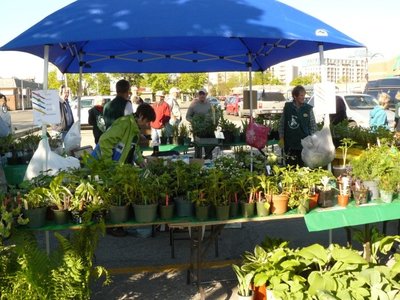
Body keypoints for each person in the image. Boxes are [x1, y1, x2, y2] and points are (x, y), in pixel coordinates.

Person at [278, 85, 317, 166]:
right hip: (290, 144)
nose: (303, 97)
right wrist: (281, 137)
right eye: (301, 95)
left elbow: (313, 126)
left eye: (304, 95)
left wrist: (312, 140)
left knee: (303, 166)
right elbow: (282, 124)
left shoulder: (308, 108)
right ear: (295, 96)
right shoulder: (288, 107)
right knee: (290, 166)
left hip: (304, 144)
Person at [186, 88, 217, 159]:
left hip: (208, 130)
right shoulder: (193, 105)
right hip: (197, 131)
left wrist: (213, 123)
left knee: (208, 149)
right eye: (200, 94)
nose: (202, 95)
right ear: (198, 95)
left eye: (203, 94)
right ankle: (197, 164)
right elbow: (188, 116)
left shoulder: (209, 104)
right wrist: (194, 122)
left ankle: (208, 163)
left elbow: (214, 116)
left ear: (206, 95)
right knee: (198, 150)